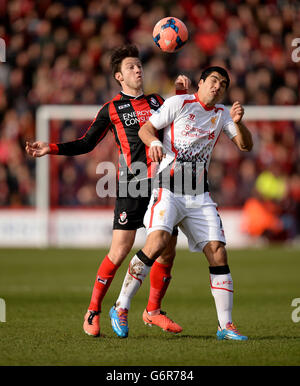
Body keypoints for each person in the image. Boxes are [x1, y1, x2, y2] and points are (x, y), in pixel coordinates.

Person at [25, 44, 190, 338]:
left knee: (167, 251)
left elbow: (181, 124)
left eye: (139, 65)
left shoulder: (158, 101)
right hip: (132, 184)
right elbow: (86, 143)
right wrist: (50, 148)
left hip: (163, 184)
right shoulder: (111, 109)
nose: (137, 70)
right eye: (130, 67)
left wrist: (179, 96)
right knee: (120, 250)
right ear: (118, 76)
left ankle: (152, 311)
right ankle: (93, 310)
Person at [120, 66, 253, 340]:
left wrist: (239, 123)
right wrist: (154, 143)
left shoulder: (223, 114)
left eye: (223, 84)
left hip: (198, 194)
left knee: (217, 251)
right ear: (201, 83)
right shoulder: (179, 102)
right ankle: (121, 306)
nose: (218, 87)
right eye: (214, 81)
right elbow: (146, 130)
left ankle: (225, 325)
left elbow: (245, 146)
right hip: (167, 188)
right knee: (156, 243)